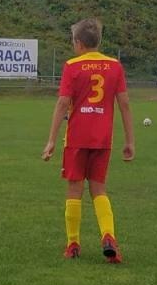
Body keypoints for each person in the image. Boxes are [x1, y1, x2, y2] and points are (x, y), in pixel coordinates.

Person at [42, 18, 134, 262]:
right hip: (102, 138)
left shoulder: (72, 66)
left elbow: (63, 103)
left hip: (77, 137)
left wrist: (51, 139)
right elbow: (124, 104)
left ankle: (73, 244)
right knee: (99, 189)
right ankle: (108, 236)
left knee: (74, 189)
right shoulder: (115, 66)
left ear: (79, 43)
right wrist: (130, 141)